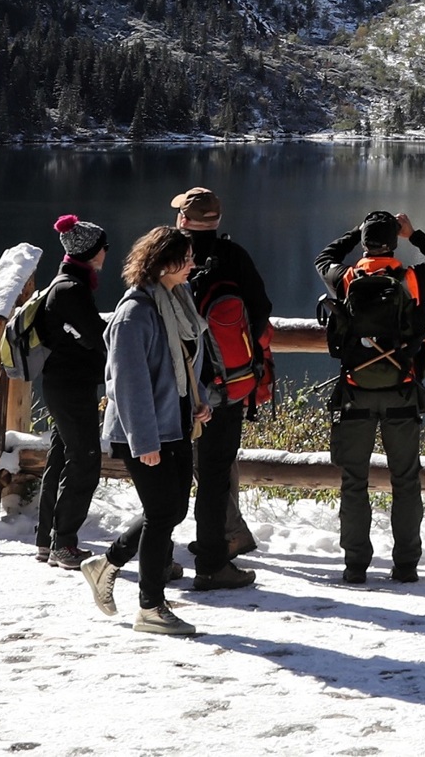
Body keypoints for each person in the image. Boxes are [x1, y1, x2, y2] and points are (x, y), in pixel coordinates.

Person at [81, 226, 217, 637]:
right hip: (142, 431)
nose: (193, 264)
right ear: (161, 263)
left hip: (175, 421)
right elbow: (127, 383)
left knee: (173, 509)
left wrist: (199, 400)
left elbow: (188, 360)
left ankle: (106, 563)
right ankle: (151, 607)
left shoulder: (178, 299)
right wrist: (145, 442)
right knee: (161, 513)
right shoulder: (135, 313)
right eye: (185, 258)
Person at [316, 208, 425, 585]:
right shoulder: (411, 279)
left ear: (364, 243)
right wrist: (415, 235)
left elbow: (323, 258)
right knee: (406, 481)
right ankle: (406, 565)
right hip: (402, 392)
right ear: (395, 241)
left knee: (353, 482)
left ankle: (355, 565)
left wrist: (353, 231)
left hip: (356, 393)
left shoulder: (346, 279)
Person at [170, 186, 272, 592]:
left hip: (175, 386)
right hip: (226, 385)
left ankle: (159, 559)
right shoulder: (235, 257)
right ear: (217, 219)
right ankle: (212, 562)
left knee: (171, 473)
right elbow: (261, 312)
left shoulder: (167, 256)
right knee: (214, 476)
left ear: (183, 220)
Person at [31, 214, 109, 570]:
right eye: (102, 247)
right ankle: (64, 544)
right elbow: (99, 338)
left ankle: (47, 541)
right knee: (85, 461)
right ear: (90, 252)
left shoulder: (65, 285)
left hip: (64, 385)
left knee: (62, 458)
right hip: (72, 387)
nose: (106, 252)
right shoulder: (71, 290)